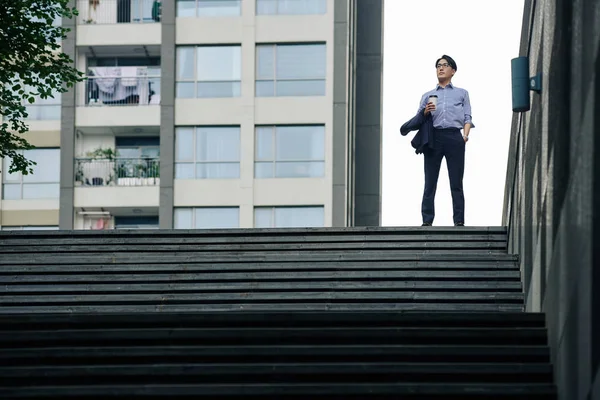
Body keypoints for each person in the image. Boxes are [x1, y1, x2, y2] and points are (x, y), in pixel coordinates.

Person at [415, 55, 474, 227]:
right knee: (430, 181)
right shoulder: (427, 95)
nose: (440, 68)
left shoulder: (462, 93)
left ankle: (459, 220)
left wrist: (465, 135)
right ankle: (427, 220)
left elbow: (467, 117)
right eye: (438, 66)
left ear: (453, 71)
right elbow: (418, 118)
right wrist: (426, 111)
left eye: (445, 65)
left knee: (456, 181)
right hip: (434, 138)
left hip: (455, 137)